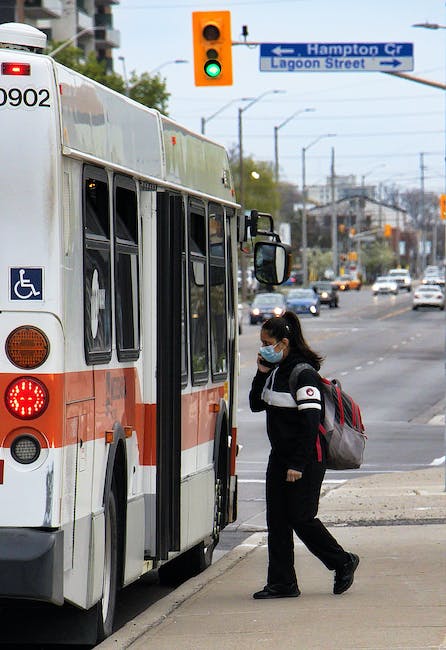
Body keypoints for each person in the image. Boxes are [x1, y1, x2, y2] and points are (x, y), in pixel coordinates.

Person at [249, 310, 359, 599]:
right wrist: (261, 373)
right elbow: (255, 405)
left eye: (266, 343)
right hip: (280, 457)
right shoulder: (275, 372)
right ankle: (282, 583)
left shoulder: (303, 373)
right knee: (277, 521)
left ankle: (343, 561)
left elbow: (311, 423)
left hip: (306, 459)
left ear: (283, 343)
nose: (262, 348)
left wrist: (298, 463)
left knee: (301, 517)